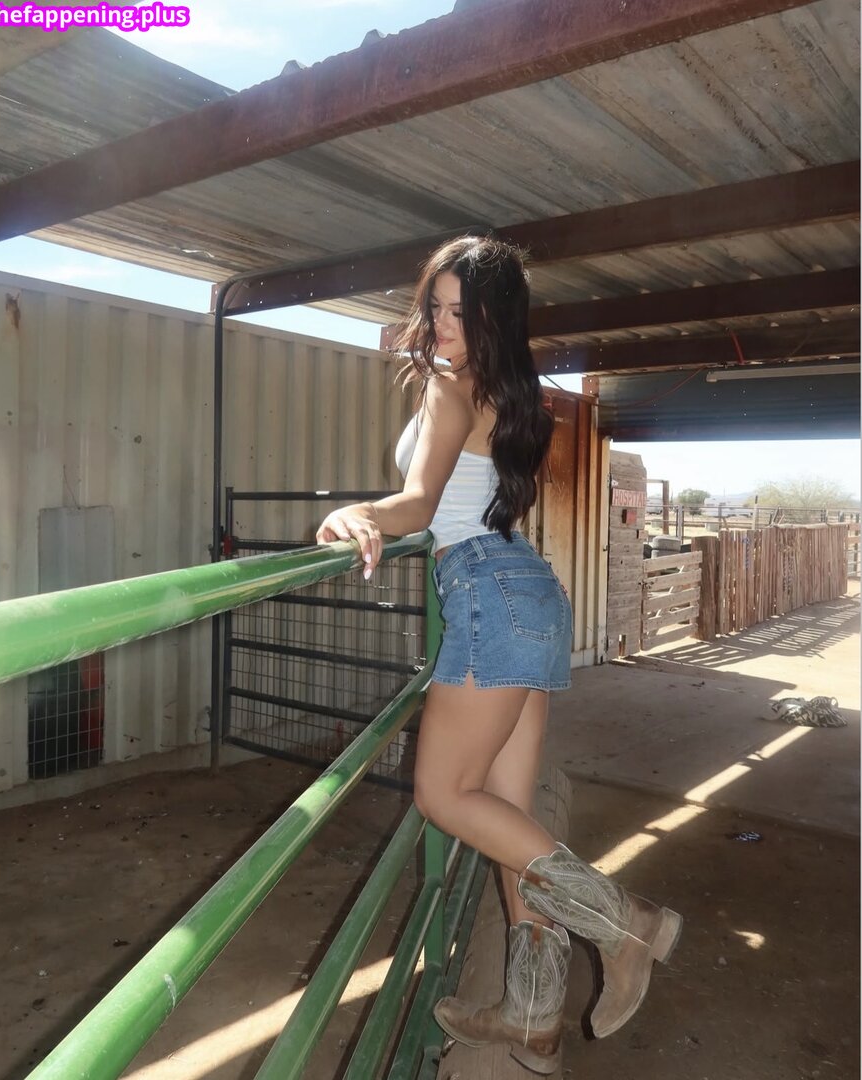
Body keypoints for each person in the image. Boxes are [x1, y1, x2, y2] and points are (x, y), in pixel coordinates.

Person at [316, 236, 681, 1075]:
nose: (443, 325)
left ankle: (626, 923)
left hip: (487, 592)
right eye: (436, 308)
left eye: (462, 311)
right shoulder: (509, 391)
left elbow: (420, 504)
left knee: (445, 794)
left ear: (494, 318)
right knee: (511, 825)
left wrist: (357, 512)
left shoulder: (451, 383)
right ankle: (531, 1017)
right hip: (529, 589)